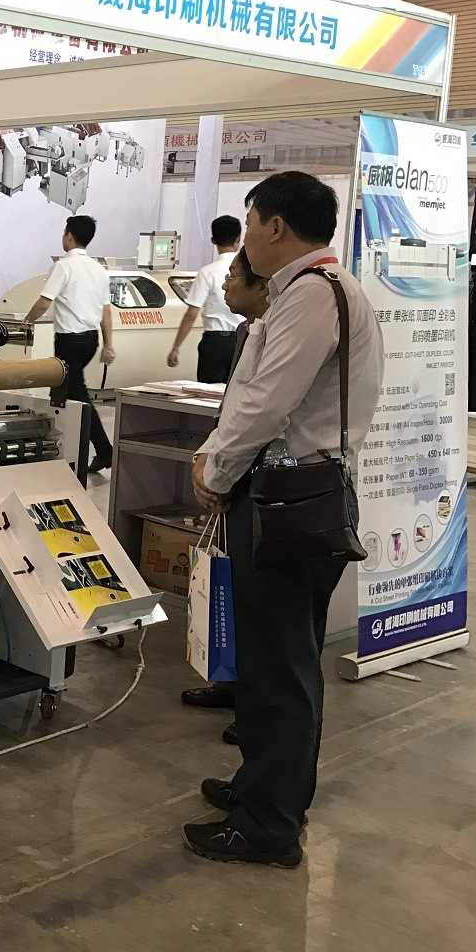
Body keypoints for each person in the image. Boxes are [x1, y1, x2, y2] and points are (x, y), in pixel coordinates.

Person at [184, 171, 383, 868]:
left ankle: (269, 823)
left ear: (274, 226)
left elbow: (269, 402)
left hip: (289, 499)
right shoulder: (307, 291)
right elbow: (256, 397)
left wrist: (217, 469)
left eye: (250, 223)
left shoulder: (313, 294)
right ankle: (260, 786)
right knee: (271, 657)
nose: (246, 239)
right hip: (284, 493)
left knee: (281, 666)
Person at [178, 249, 271, 741]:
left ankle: (256, 712)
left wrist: (216, 473)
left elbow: (260, 415)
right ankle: (231, 685)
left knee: (262, 610)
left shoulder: (281, 332)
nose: (225, 284)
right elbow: (232, 409)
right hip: (234, 473)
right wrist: (208, 457)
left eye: (234, 276)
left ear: (262, 285)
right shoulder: (245, 332)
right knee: (230, 590)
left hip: (265, 483)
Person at [24, 215, 115, 473]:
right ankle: (61, 449)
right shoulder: (98, 269)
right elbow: (105, 310)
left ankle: (104, 451)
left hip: (69, 342)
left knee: (77, 395)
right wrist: (109, 344)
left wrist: (26, 322)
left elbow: (44, 302)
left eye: (64, 232)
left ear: (70, 235)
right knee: (63, 393)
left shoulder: (63, 266)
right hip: (90, 340)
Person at [168, 215, 244, 383]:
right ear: (239, 239)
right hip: (243, 341)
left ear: (213, 240)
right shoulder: (249, 270)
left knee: (208, 393)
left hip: (215, 343)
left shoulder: (207, 272)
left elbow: (191, 313)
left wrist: (176, 347)